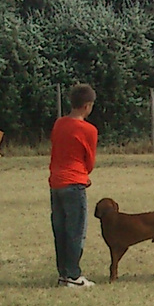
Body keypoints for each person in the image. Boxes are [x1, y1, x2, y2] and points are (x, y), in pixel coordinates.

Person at [49, 83, 98, 288]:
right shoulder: (88, 129)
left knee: (60, 230)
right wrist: (84, 174)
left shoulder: (59, 124)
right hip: (75, 182)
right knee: (76, 231)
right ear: (87, 106)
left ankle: (63, 274)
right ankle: (74, 275)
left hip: (56, 182)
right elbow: (89, 161)